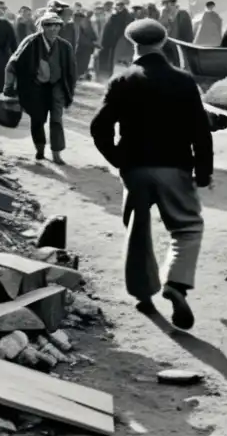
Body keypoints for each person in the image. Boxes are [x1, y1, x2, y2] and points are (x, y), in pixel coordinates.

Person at [89, 18, 213, 329]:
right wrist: (203, 170)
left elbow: (99, 127)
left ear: (135, 46)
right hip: (175, 167)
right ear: (163, 44)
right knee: (186, 228)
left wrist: (118, 159)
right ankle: (177, 283)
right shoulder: (184, 81)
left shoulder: (123, 81)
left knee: (137, 228)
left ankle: (143, 291)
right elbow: (201, 131)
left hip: (136, 169)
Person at [4, 12, 77, 165]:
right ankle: (40, 150)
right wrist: (9, 85)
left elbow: (71, 71)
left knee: (56, 120)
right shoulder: (31, 43)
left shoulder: (65, 46)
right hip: (36, 87)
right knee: (38, 119)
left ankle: (56, 153)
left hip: (56, 87)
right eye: (49, 25)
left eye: (56, 25)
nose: (53, 28)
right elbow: (13, 64)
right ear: (41, 26)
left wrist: (69, 91)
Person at [99, 0, 134, 79]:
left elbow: (108, 31)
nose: (118, 7)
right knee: (122, 62)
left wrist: (105, 43)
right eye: (118, 5)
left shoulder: (116, 17)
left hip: (116, 43)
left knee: (116, 62)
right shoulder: (128, 17)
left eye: (120, 5)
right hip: (122, 44)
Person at [73, 10, 97, 79]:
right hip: (84, 45)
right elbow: (89, 32)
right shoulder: (84, 21)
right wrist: (94, 38)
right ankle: (80, 74)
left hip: (78, 45)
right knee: (83, 61)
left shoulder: (73, 23)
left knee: (78, 60)